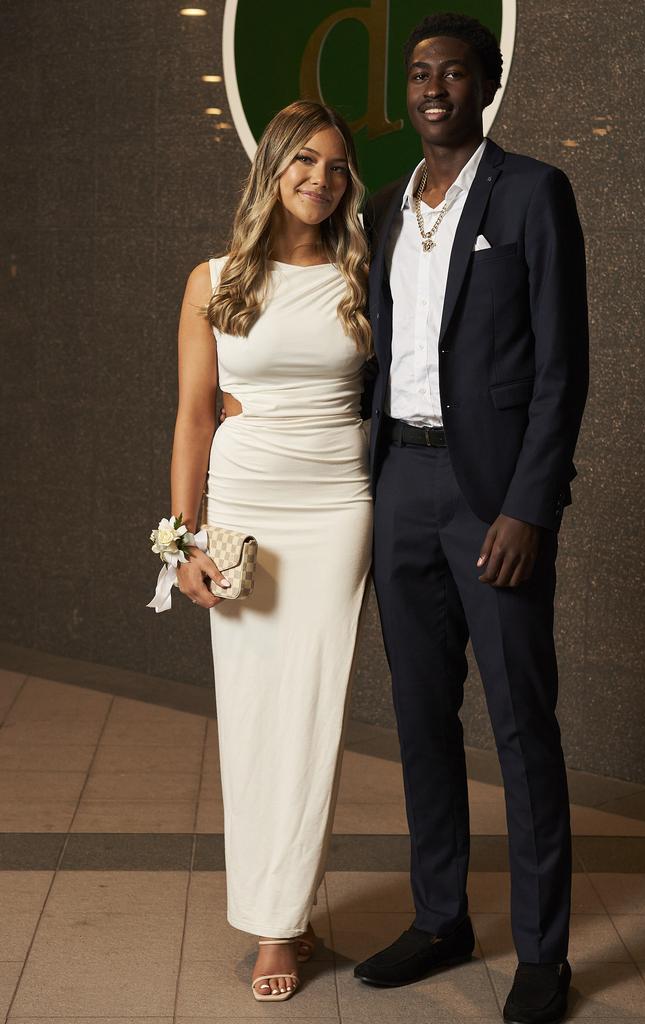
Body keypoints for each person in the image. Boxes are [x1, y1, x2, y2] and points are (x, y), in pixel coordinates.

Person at [353, 14, 589, 1024]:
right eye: (418, 72)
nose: (434, 84)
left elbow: (561, 367)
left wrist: (528, 506)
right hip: (398, 483)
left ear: (486, 84)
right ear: (406, 93)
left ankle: (544, 951)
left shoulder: (532, 192)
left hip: (491, 500)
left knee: (522, 724)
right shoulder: (380, 209)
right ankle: (441, 914)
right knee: (417, 717)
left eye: (453, 70)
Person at [168, 100, 373, 1003]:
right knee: (252, 717)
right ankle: (272, 919)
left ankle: (282, 922)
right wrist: (180, 542)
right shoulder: (212, 278)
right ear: (271, 170)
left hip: (336, 509)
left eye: (334, 168)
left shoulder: (365, 273)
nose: (319, 181)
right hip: (244, 509)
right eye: (304, 164)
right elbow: (194, 416)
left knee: (314, 716)